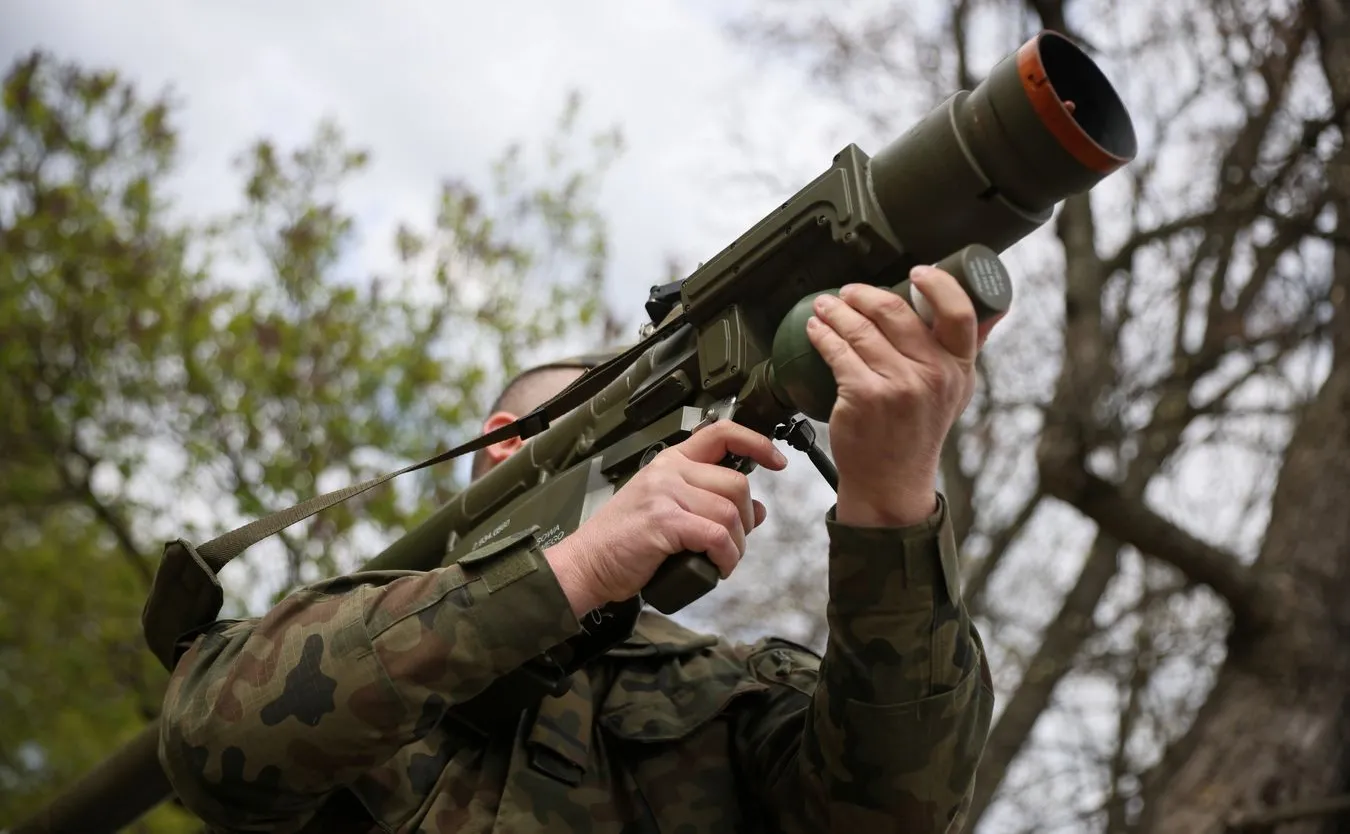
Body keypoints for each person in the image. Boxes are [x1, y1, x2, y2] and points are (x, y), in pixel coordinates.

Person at [157, 265, 999, 833]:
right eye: (620, 430)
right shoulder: (353, 633)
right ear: (504, 442)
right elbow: (210, 743)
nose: (659, 458)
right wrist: (579, 566)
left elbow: (894, 813)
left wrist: (891, 504)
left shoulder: (724, 694)